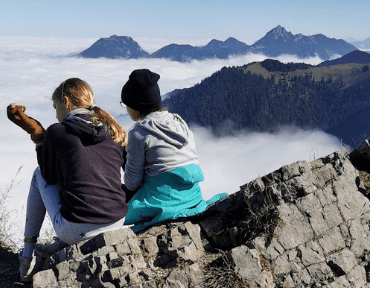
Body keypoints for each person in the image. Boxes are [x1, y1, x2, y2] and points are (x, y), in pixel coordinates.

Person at [7, 78, 129, 282]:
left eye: (56, 107)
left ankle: (26, 260)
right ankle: (55, 246)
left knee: (38, 174)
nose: (56, 113)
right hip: (117, 221)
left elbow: (49, 176)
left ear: (66, 101)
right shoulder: (112, 130)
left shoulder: (57, 131)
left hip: (76, 229)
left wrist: (39, 139)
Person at [120, 69, 226, 232]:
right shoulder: (179, 123)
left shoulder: (138, 133)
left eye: (125, 104)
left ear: (135, 107)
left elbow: (131, 183)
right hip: (192, 198)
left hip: (162, 201)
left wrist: (124, 158)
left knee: (112, 205)